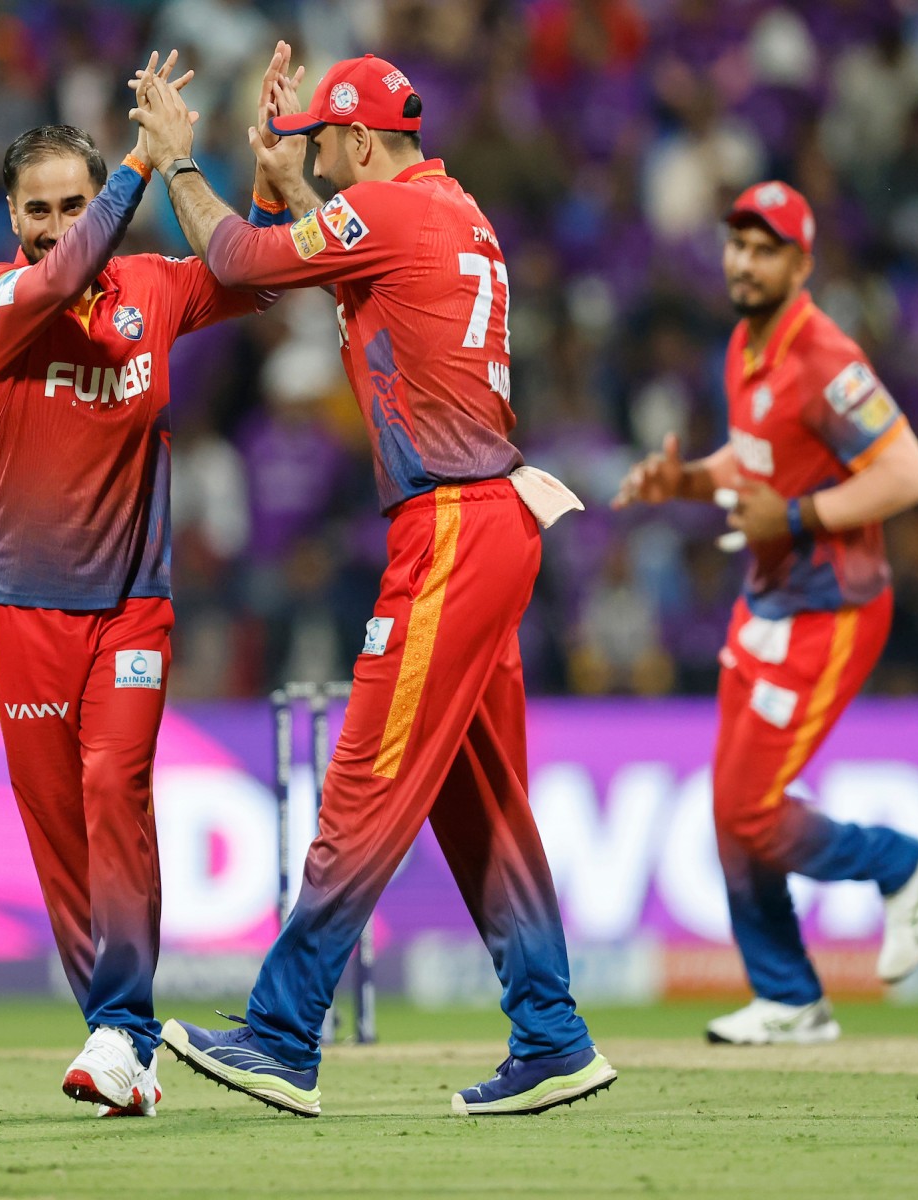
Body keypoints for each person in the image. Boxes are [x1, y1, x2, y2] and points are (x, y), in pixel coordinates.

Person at [131, 50, 615, 1117]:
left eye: (321, 140)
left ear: (355, 140)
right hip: (488, 518)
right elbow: (351, 260)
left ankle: (282, 1032)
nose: (317, 155)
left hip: (448, 524)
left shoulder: (394, 215)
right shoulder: (446, 211)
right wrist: (288, 176)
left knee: (364, 779)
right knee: (477, 799)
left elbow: (242, 258)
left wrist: (179, 165)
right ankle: (551, 1034)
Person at [0, 49, 281, 1117]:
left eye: (69, 203)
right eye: (37, 208)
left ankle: (121, 1028)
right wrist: (138, 166)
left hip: (133, 607)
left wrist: (272, 178)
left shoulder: (149, 289)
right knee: (56, 825)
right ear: (13, 219)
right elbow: (58, 279)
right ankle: (121, 1042)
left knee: (113, 790)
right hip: (24, 609)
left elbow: (253, 274)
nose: (55, 227)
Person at [613, 181, 918, 1044]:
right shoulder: (744, 344)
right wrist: (687, 481)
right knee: (733, 810)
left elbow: (909, 474)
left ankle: (903, 864)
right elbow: (755, 458)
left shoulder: (826, 360)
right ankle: (790, 997)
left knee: (753, 810)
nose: (745, 261)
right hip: (767, 599)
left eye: (766, 250)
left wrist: (797, 518)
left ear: (802, 263)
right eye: (737, 244)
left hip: (832, 608)